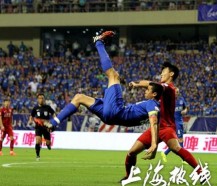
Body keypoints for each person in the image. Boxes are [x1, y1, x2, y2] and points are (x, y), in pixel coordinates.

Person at [35, 30, 164, 158]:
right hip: (110, 117)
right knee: (79, 98)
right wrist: (137, 84)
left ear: (154, 94)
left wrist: (153, 145)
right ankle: (54, 123)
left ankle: (99, 42)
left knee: (113, 75)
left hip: (116, 111)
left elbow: (153, 123)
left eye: (148, 90)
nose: (145, 90)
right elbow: (156, 126)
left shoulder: (152, 105)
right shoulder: (156, 108)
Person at [121, 62, 205, 183]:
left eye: (163, 71)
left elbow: (151, 84)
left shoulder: (169, 88)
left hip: (166, 127)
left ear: (171, 74)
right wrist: (135, 84)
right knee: (131, 152)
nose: (161, 73)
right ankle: (128, 177)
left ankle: (201, 173)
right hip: (155, 127)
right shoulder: (161, 87)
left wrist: (136, 84)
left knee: (176, 148)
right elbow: (151, 85)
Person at [161, 87, 188, 163]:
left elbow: (186, 108)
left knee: (177, 141)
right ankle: (184, 159)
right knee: (180, 140)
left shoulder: (181, 99)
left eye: (178, 92)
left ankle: (165, 153)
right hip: (174, 123)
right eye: (176, 92)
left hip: (180, 122)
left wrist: (184, 111)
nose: (177, 93)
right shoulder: (169, 101)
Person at [28, 94, 55, 161]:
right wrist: (30, 121)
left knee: (48, 142)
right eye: (39, 98)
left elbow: (53, 113)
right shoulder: (35, 108)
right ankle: (37, 155)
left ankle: (48, 144)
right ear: (38, 99)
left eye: (42, 98)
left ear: (44, 99)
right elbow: (31, 116)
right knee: (38, 141)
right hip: (38, 127)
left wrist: (55, 121)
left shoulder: (48, 107)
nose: (41, 99)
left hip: (46, 127)